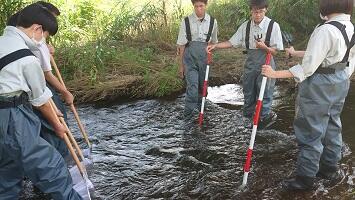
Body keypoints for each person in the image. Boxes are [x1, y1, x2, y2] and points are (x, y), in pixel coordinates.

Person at [261, 0, 355, 190]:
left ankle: (305, 180)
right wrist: (295, 53)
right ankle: (329, 168)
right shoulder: (349, 26)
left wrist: (274, 74)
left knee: (310, 131)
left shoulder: (324, 30)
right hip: (340, 81)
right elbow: (336, 56)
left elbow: (308, 68)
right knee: (332, 125)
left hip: (319, 84)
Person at [0, 4, 82, 199]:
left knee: (6, 171)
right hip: (13, 116)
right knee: (51, 166)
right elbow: (41, 100)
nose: (43, 41)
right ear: (37, 28)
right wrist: (57, 125)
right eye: (44, 35)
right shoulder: (27, 58)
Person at [6, 1, 72, 159]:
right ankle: (60, 159)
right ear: (38, 27)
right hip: (18, 102)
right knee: (53, 124)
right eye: (44, 32)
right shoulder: (28, 55)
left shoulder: (10, 38)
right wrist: (65, 93)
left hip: (20, 99)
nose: (44, 38)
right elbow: (42, 92)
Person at [207, 0, 283, 129]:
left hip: (267, 64)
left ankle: (262, 125)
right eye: (255, 11)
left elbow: (275, 52)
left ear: (266, 10)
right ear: (251, 11)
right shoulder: (246, 26)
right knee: (248, 93)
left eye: (260, 11)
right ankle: (247, 123)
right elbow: (231, 42)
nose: (257, 15)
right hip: (250, 64)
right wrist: (215, 46)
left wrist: (264, 47)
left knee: (264, 94)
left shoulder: (273, 26)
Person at [177, 0, 218, 120]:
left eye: (201, 6)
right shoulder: (186, 21)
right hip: (189, 58)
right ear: (193, 6)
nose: (199, 9)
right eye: (196, 6)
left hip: (204, 59)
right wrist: (181, 65)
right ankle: (188, 116)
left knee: (203, 87)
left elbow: (213, 42)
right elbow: (181, 45)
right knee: (193, 87)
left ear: (206, 5)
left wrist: (209, 55)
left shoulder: (212, 22)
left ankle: (202, 112)